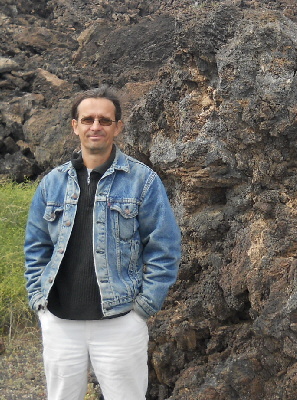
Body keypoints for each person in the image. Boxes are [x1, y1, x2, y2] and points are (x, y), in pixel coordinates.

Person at [24, 86, 181, 400]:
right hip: (60, 322)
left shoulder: (143, 181)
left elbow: (164, 248)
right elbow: (36, 247)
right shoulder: (52, 183)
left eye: (104, 120)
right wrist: (39, 301)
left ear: (117, 127)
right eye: (88, 119)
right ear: (75, 126)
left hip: (120, 322)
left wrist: (143, 308)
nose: (95, 126)